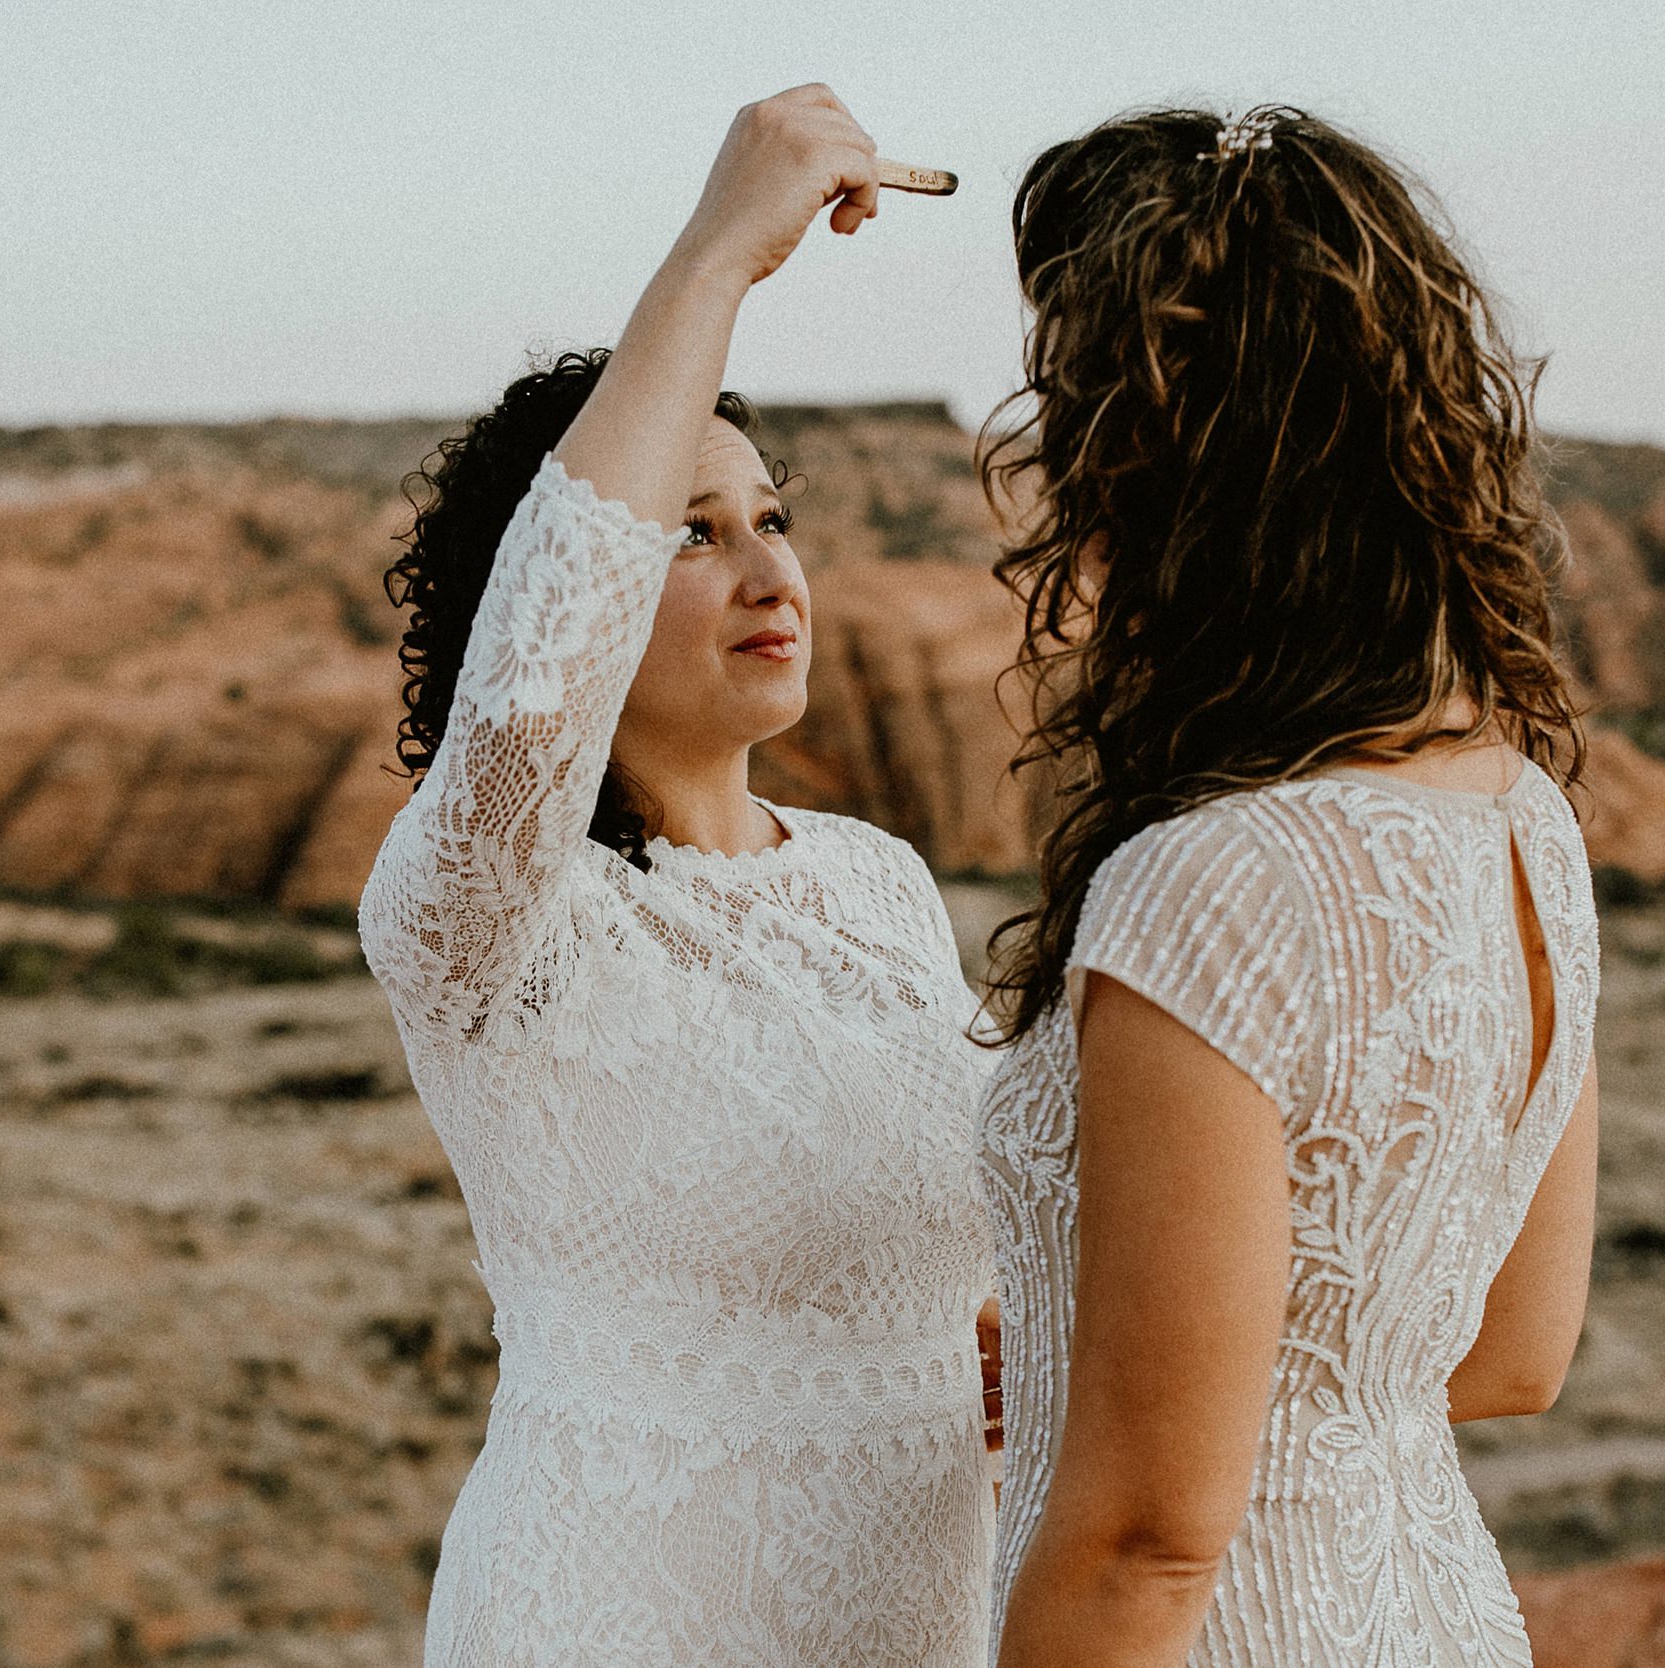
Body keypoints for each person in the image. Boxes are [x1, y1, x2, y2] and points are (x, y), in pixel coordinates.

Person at [355, 84, 997, 1666]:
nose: (770, 568)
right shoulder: (487, 922)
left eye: (773, 518)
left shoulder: (882, 885)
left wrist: (984, 1342)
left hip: (921, 1616)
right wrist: (718, 256)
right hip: (624, 1614)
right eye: (692, 531)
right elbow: (526, 693)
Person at [974, 104, 1605, 1668]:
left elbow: (1146, 1542)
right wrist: (1097, 1350)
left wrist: (1133, 1403)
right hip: (1435, 1620)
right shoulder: (1526, 822)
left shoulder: (1209, 889)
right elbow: (1513, 1352)